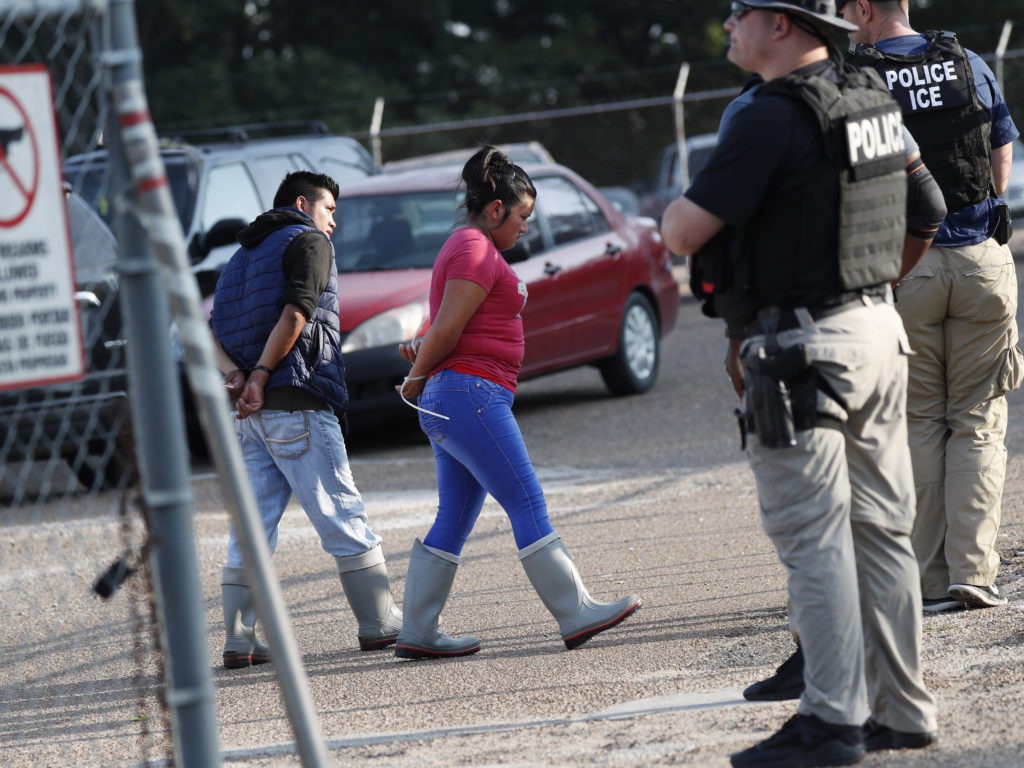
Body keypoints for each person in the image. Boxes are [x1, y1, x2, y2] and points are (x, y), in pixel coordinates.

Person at [660, 2, 938, 765]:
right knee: (882, 533)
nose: (725, 25)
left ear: (782, 24)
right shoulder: (873, 100)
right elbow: (930, 207)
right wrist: (868, 290)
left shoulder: (769, 116)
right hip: (879, 331)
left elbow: (682, 232)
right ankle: (904, 709)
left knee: (812, 539)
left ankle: (832, 721)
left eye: (736, 13)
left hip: (806, 347)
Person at [391, 146, 641, 660]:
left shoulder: (467, 248)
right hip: (469, 395)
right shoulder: (476, 249)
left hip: (459, 396)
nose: (527, 227)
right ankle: (574, 611)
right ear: (496, 208)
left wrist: (422, 356)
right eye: (524, 216)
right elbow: (449, 327)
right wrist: (416, 375)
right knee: (526, 503)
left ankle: (418, 630)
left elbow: (443, 326)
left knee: (454, 517)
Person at [838, 0, 1023, 618]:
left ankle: (929, 577)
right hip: (980, 259)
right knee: (976, 418)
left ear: (864, 7)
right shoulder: (968, 61)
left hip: (903, 266)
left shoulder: (853, 79)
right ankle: (975, 571)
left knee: (917, 419)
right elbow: (1002, 156)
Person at [209, 170, 402, 668]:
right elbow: (298, 313)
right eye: (329, 209)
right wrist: (263, 375)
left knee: (251, 527)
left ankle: (239, 637)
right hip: (299, 398)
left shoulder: (241, 256)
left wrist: (237, 376)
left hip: (251, 417)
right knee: (340, 511)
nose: (333, 222)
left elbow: (206, 330)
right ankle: (379, 622)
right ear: (303, 203)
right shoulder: (309, 240)